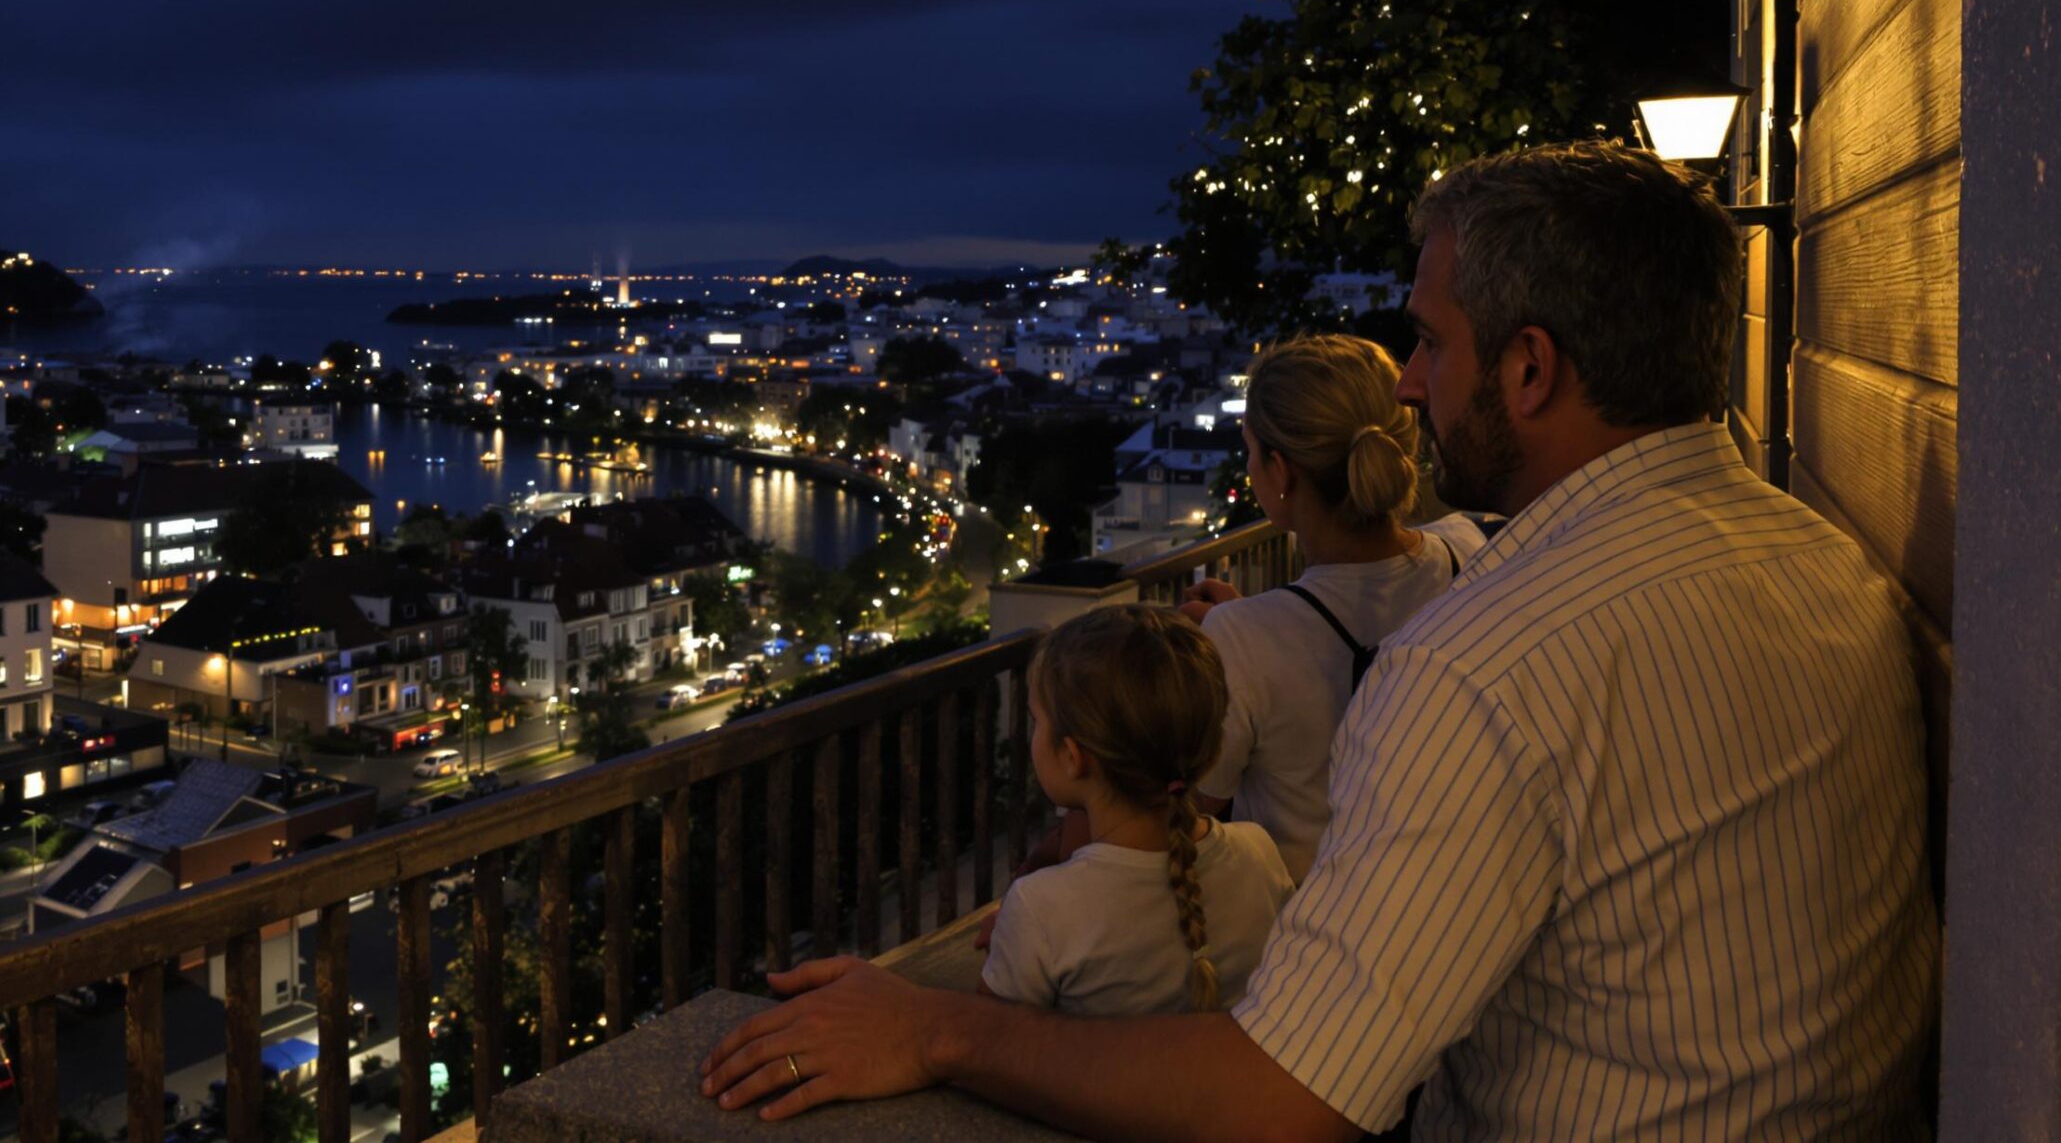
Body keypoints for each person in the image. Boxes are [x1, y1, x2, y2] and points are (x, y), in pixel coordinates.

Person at [700, 141, 1938, 1140]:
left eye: (1433, 341)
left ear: (1528, 369)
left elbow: (1281, 1093)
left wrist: (935, 1030)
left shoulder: (1486, 665)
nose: (1408, 381)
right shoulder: (1821, 557)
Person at [1180, 334, 1485, 882]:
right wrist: (1258, 623)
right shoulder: (1469, 550)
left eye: (1250, 450)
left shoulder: (1244, 638)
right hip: (1451, 892)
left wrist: (1246, 632)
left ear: (1280, 471)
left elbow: (1188, 814)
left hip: (1310, 934)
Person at [981, 605, 1293, 1016]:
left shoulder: (1042, 910)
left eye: (1037, 720)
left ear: (1073, 756)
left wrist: (1014, 938)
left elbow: (987, 1042)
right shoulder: (1258, 852)